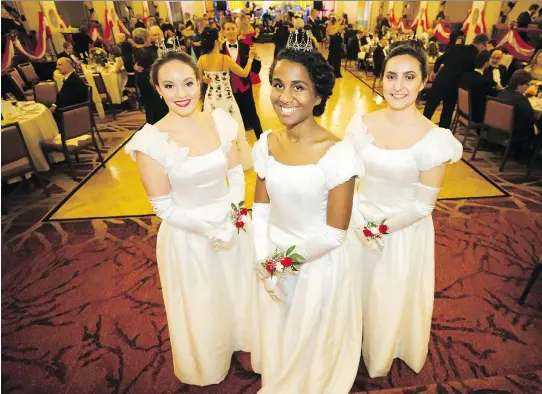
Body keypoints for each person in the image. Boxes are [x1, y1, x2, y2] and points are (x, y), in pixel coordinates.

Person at [124, 51, 254, 386]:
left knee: (238, 289)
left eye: (187, 83)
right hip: (188, 233)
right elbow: (163, 206)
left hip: (232, 223)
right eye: (170, 85)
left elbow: (237, 175)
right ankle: (210, 358)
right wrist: (211, 230)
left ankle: (243, 341)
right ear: (158, 89)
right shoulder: (150, 142)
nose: (181, 94)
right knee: (203, 299)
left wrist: (233, 218)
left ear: (201, 82)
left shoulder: (220, 121)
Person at [346, 40, 463, 378]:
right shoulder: (360, 125)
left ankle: (384, 347)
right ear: (380, 79)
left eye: (409, 77)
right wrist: (357, 221)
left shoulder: (433, 139)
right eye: (391, 76)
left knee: (386, 295)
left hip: (401, 231)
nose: (398, 86)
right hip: (358, 223)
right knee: (354, 291)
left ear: (425, 81)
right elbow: (348, 181)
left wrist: (377, 229)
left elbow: (422, 205)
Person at [250, 45, 362, 393]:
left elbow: (333, 235)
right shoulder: (266, 143)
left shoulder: (337, 154)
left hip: (316, 263)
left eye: (299, 87)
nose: (285, 96)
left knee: (309, 342)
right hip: (272, 254)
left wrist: (281, 263)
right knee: (280, 332)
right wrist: (262, 258)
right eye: (278, 83)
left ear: (318, 96)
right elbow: (261, 207)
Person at [198, 27, 255, 170]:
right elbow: (243, 73)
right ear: (217, 42)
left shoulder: (202, 59)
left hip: (210, 99)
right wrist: (251, 59)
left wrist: (204, 78)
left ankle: (217, 163)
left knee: (213, 131)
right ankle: (236, 160)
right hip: (226, 99)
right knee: (234, 130)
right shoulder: (225, 59)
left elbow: (196, 77)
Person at [423, 33, 488, 128]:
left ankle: (420, 128)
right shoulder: (476, 56)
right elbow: (470, 74)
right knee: (447, 112)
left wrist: (434, 71)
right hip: (453, 85)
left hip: (441, 79)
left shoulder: (457, 47)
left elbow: (440, 59)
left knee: (430, 106)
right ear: (482, 44)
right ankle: (442, 134)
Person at [221, 18, 263, 139]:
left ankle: (262, 142)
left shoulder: (246, 47)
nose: (230, 31)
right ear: (223, 32)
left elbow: (255, 70)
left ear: (237, 30)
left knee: (253, 116)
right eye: (227, 29)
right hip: (228, 91)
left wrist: (257, 57)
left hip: (245, 88)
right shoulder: (219, 50)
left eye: (233, 28)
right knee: (232, 119)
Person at [493, 70, 538, 159]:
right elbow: (531, 118)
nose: (528, 87)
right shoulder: (521, 100)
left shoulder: (503, 92)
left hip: (496, 128)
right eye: (527, 84)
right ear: (520, 84)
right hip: (512, 132)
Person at [132, 28, 168, 124]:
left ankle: (152, 122)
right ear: (145, 39)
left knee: (149, 103)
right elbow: (154, 64)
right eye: (149, 37)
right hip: (150, 80)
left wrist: (134, 66)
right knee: (157, 102)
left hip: (142, 80)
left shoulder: (135, 50)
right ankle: (159, 122)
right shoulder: (148, 51)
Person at [459, 51, 496, 123]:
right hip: (475, 115)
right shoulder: (484, 81)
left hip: (463, 111)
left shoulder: (465, 76)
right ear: (486, 64)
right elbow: (491, 96)